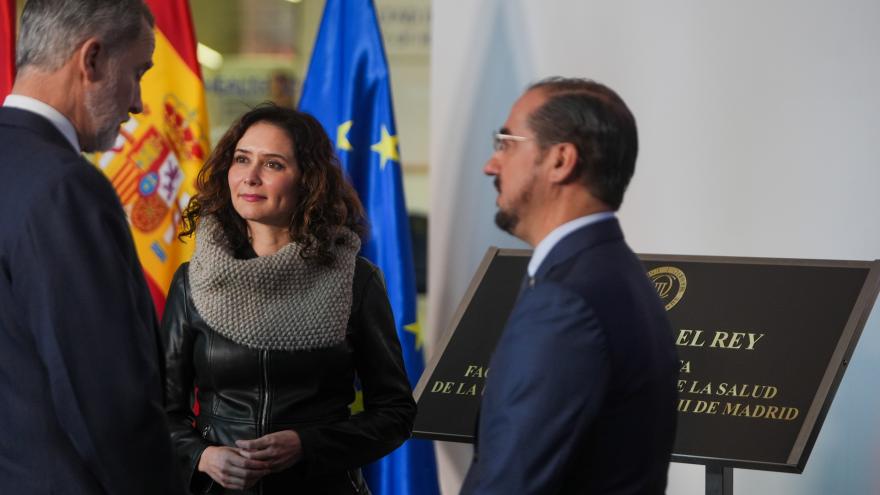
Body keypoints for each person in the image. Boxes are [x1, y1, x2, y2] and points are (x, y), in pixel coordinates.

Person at [161, 103, 416, 494]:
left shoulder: (355, 279)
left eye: (272, 164)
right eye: (242, 159)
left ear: (307, 181)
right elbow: (160, 410)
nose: (250, 177)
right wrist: (203, 456)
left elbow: (395, 413)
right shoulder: (192, 280)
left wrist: (307, 445)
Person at [0, 0, 185, 494]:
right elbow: (107, 402)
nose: (138, 104)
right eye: (138, 72)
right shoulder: (66, 187)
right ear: (93, 59)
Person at [460, 77, 679, 494]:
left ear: (561, 160)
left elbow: (512, 481)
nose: (491, 164)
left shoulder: (564, 301)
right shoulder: (616, 273)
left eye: (506, 144)